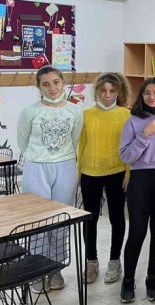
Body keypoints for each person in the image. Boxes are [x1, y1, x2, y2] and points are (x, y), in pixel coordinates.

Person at [17, 65, 84, 292]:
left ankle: (55, 268)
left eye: (56, 82)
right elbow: (22, 141)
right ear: (39, 87)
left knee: (60, 219)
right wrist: (40, 158)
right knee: (38, 220)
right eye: (45, 84)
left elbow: (75, 139)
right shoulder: (30, 112)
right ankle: (37, 269)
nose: (52, 88)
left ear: (62, 82)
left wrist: (61, 158)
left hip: (65, 167)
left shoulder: (75, 111)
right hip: (36, 167)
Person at [119, 78, 155, 304]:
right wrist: (144, 135)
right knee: (137, 231)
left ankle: (152, 279)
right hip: (140, 179)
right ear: (141, 96)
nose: (151, 96)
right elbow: (126, 156)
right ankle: (128, 280)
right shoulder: (133, 121)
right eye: (147, 93)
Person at [78, 72, 131, 285]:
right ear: (97, 92)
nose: (107, 95)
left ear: (118, 92)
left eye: (112, 91)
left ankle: (114, 260)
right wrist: (78, 173)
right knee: (89, 219)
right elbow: (81, 145)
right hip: (89, 172)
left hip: (117, 173)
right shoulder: (86, 114)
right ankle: (91, 261)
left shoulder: (126, 115)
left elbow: (129, 146)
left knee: (117, 218)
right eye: (103, 90)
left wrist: (128, 172)